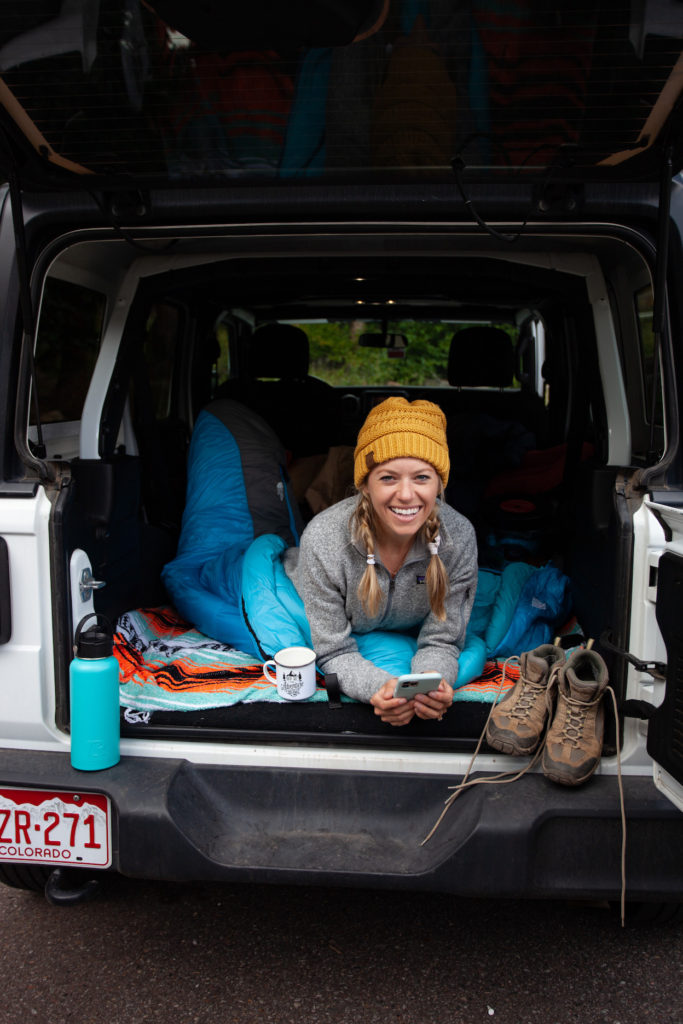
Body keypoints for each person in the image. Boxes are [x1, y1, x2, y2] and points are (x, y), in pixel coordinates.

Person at [285, 396, 478, 726]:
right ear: (365, 484)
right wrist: (378, 689)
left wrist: (431, 686)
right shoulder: (324, 539)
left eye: (421, 477)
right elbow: (333, 650)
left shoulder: (457, 538)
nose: (406, 495)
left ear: (439, 484)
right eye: (388, 477)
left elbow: (442, 640)